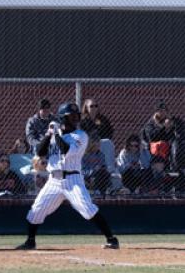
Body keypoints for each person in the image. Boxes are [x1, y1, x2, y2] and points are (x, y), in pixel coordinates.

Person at [16, 102, 120, 250]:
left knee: (87, 208)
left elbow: (65, 150)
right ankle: (30, 241)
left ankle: (111, 239)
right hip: (53, 181)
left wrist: (57, 133)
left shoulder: (80, 136)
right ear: (62, 118)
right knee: (36, 210)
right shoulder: (54, 135)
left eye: (76, 116)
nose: (75, 119)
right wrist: (49, 133)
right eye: (71, 116)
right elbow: (40, 152)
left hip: (73, 180)